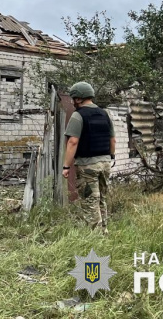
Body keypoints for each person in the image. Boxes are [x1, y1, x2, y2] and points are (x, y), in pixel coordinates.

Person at [62, 81, 115, 233]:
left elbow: (72, 141)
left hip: (87, 165)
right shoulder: (105, 114)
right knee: (101, 199)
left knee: (90, 201)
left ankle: (96, 238)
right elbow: (113, 139)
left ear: (79, 99)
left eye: (73, 99)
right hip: (105, 163)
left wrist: (66, 166)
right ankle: (104, 231)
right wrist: (111, 157)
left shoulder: (78, 116)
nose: (72, 102)